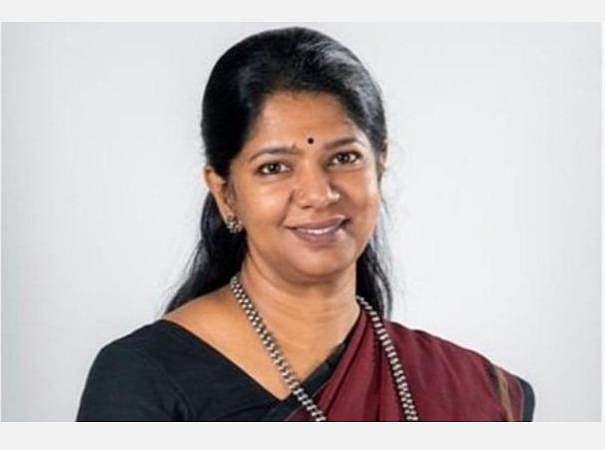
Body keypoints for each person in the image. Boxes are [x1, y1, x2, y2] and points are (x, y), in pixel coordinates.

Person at [76, 26, 535, 421]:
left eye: (344, 158)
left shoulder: (478, 390)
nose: (318, 193)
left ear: (380, 164)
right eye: (274, 167)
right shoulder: (142, 379)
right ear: (225, 192)